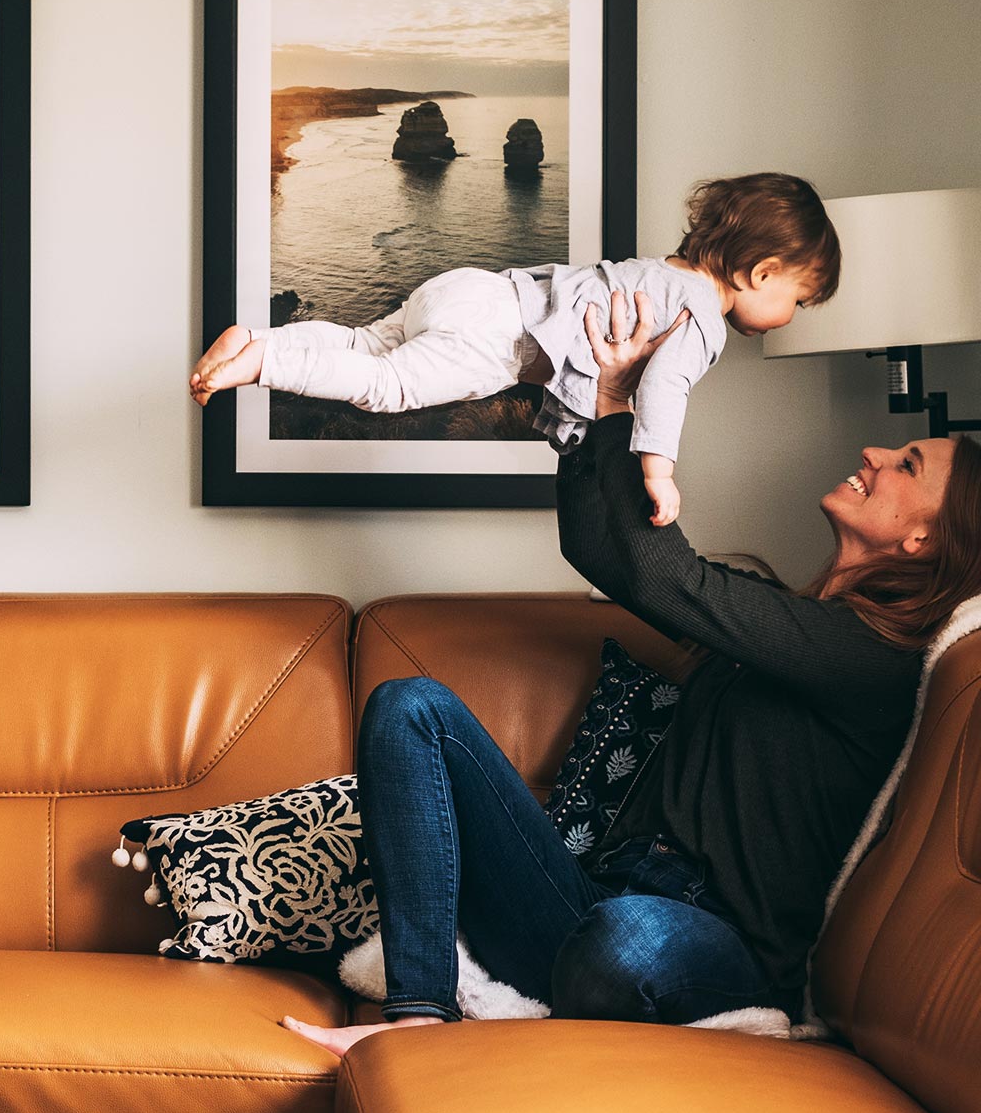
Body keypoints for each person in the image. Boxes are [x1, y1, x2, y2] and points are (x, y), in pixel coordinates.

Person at [283, 289, 981, 1057]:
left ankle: (563, 990)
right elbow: (607, 556)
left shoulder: (876, 660)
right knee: (410, 705)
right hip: (587, 899)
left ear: (925, 538)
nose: (874, 455)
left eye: (907, 463)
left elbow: (666, 579)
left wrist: (625, 414)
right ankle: (416, 1013)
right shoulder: (780, 617)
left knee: (629, 939)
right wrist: (600, 399)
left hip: (709, 944)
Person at [190, 173, 840, 525]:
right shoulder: (701, 315)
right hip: (498, 338)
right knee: (389, 386)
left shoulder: (662, 271)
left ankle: (259, 338)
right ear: (762, 273)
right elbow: (665, 387)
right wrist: (659, 472)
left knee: (368, 342)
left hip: (477, 288)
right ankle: (263, 364)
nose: (789, 317)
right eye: (798, 299)